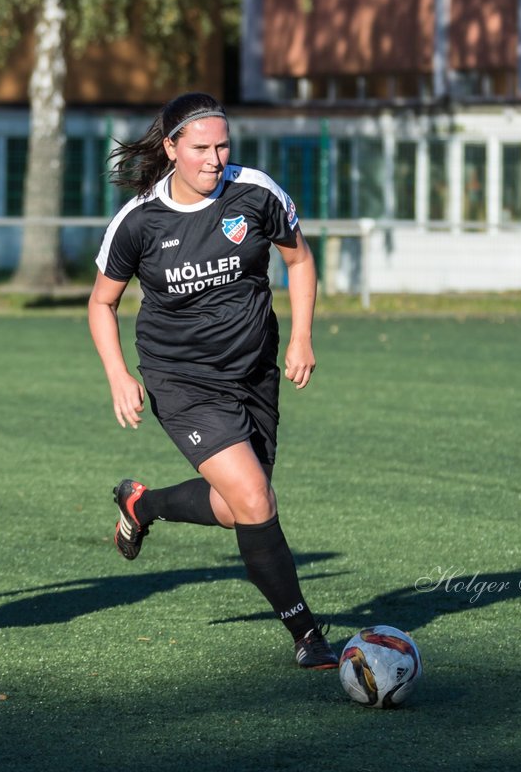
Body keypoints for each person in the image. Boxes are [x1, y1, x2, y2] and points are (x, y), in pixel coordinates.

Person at [87, 92, 338, 670]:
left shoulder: (256, 192)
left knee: (237, 508)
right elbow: (102, 304)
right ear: (172, 148)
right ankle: (306, 633)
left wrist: (301, 336)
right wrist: (119, 375)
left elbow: (298, 261)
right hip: (182, 382)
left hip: (253, 375)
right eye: (201, 147)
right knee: (254, 499)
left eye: (223, 145)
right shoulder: (139, 221)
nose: (215, 158)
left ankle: (143, 504)